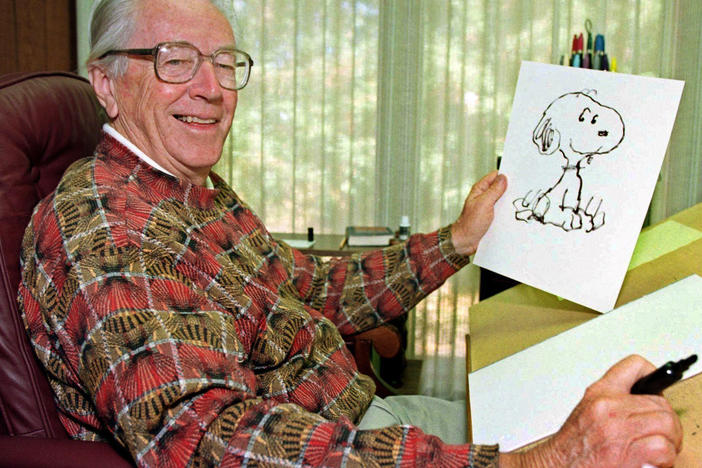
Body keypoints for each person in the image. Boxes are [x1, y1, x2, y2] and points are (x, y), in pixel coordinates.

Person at [17, 0, 682, 466]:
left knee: (640, 415)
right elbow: (208, 442)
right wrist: (530, 463)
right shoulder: (108, 233)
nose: (214, 88)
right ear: (106, 83)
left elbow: (306, 284)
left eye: (225, 62)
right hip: (334, 446)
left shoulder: (189, 185)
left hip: (362, 425)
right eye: (176, 60)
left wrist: (457, 240)